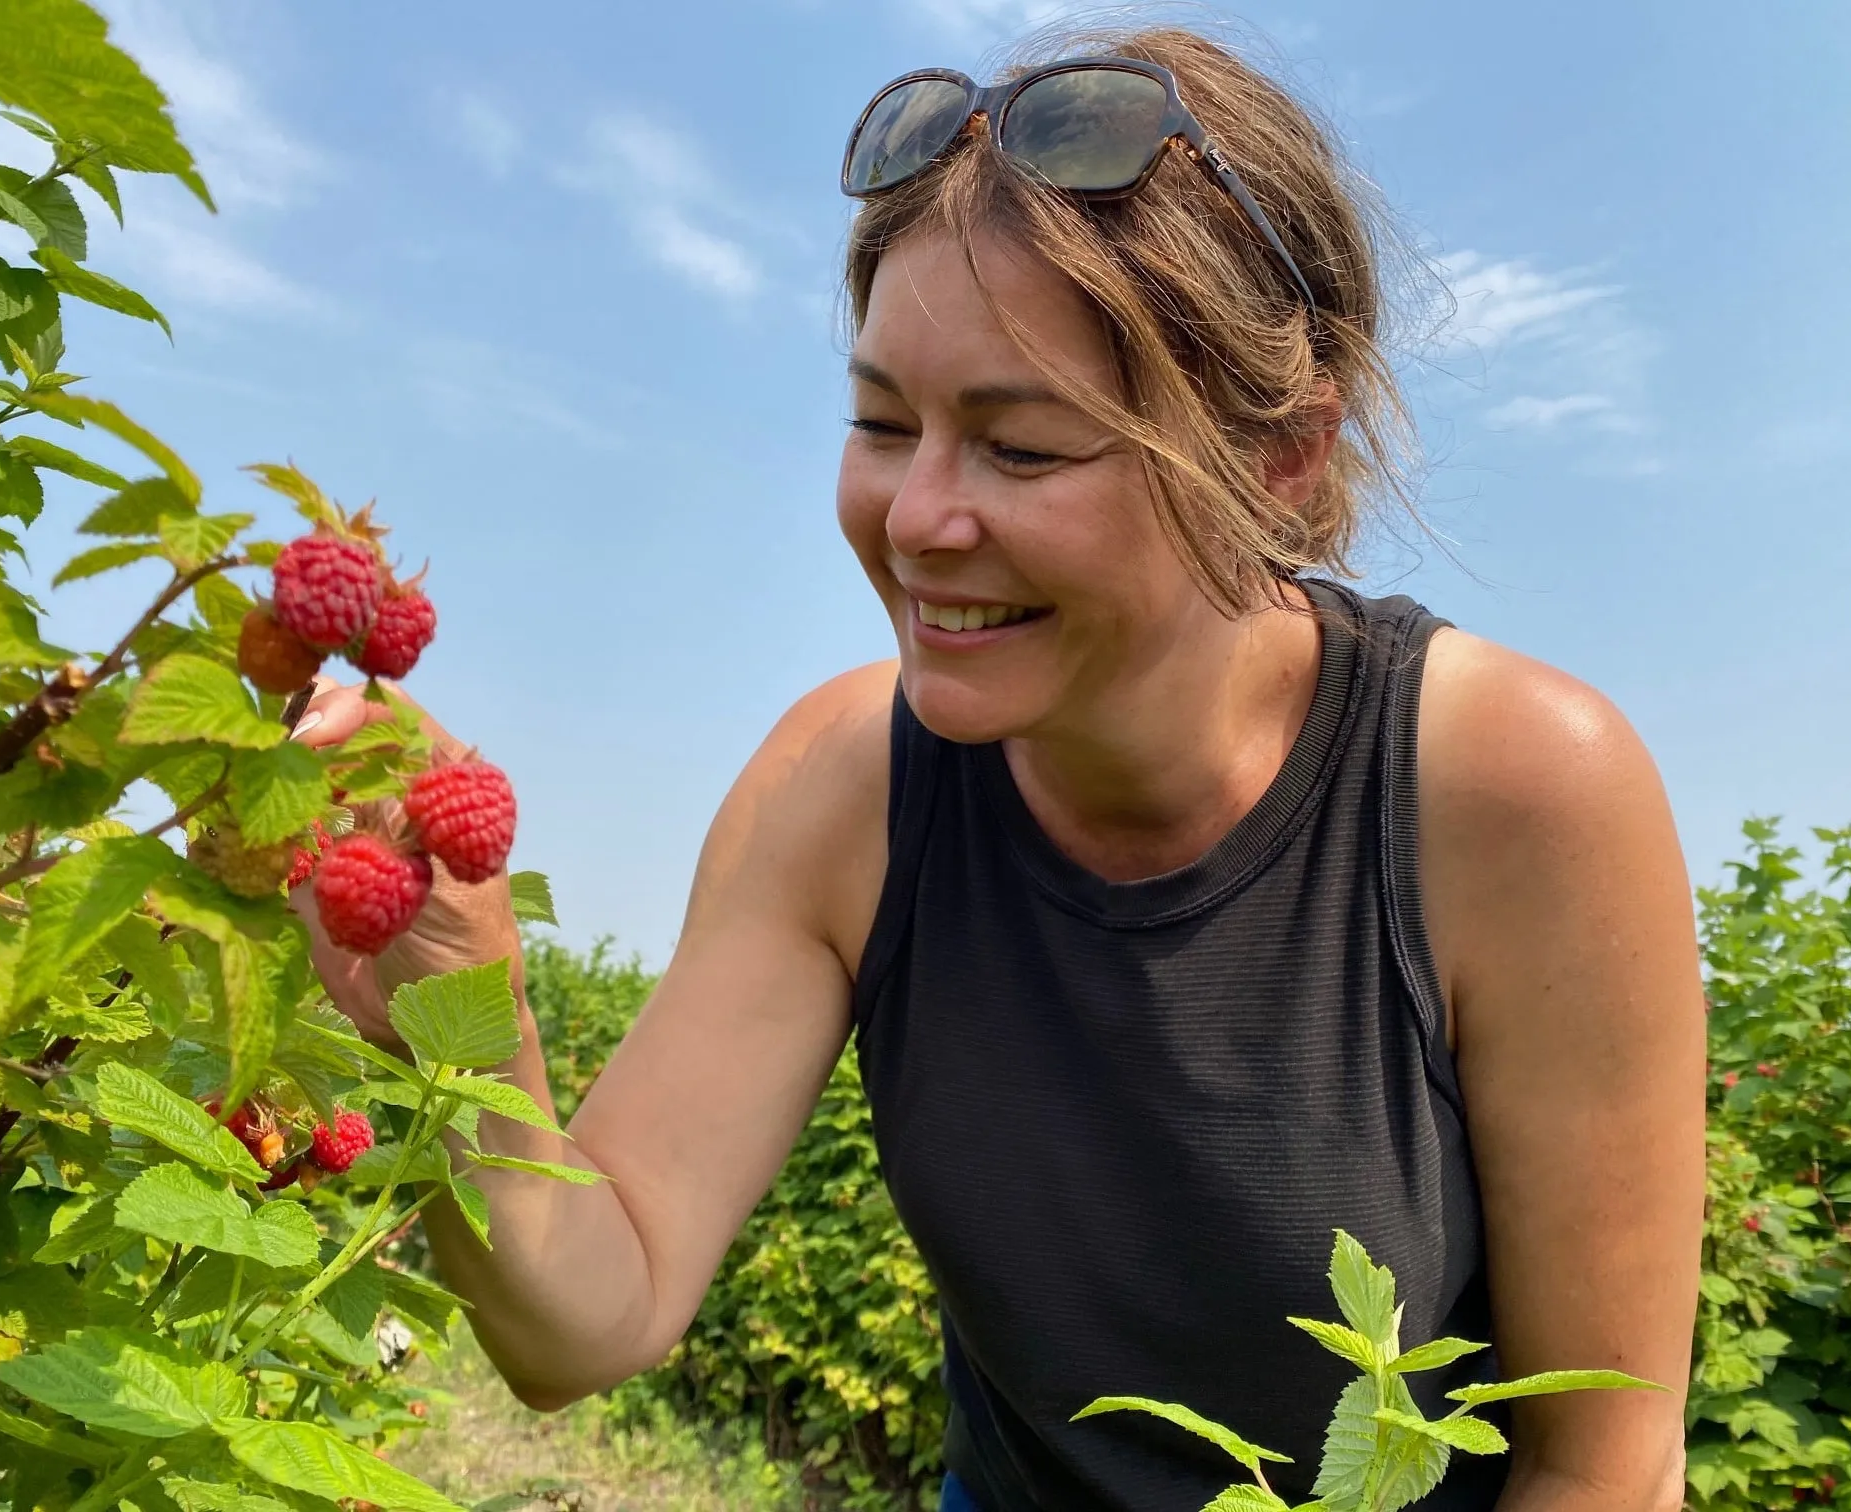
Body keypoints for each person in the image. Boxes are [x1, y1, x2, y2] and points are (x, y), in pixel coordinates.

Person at [293, 25, 1704, 1512]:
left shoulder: (1510, 791)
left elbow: (1603, 1458)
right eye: (883, 424)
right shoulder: (848, 791)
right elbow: (587, 1313)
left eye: (1021, 447)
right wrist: (457, 1026)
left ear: (1282, 458)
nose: (917, 518)